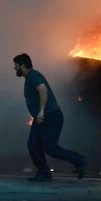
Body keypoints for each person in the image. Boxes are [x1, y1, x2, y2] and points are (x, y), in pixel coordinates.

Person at [13, 53, 85, 182]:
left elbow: (43, 90)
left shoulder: (33, 76)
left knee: (51, 148)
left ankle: (79, 160)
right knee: (33, 145)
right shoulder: (29, 78)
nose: (14, 68)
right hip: (40, 119)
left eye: (16, 65)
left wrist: (40, 113)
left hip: (50, 117)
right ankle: (44, 173)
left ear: (22, 65)